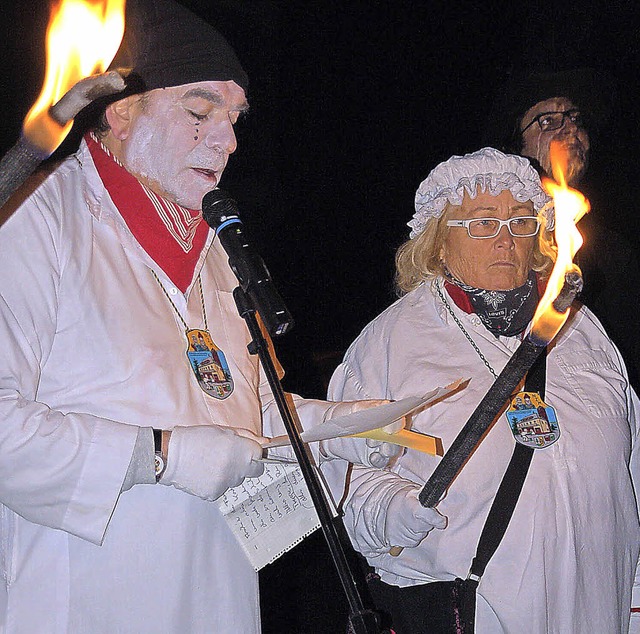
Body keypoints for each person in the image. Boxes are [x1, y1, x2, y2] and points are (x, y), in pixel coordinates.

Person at [0, 1, 400, 632]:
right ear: (122, 112)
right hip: (84, 600)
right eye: (199, 110)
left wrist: (330, 426)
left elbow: (225, 407)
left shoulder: (215, 248)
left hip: (217, 595)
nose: (228, 138)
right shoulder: (35, 219)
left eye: (235, 117)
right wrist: (158, 457)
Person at [322, 148, 640, 633]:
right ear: (438, 243)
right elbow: (346, 475)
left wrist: (636, 593)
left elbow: (632, 463)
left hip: (600, 600)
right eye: (483, 224)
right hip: (478, 605)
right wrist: (389, 509)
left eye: (519, 222)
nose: (506, 241)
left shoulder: (583, 330)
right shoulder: (392, 341)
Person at [482, 68, 640, 391]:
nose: (569, 128)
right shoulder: (496, 243)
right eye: (547, 121)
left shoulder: (615, 255)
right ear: (518, 145)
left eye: (574, 118)